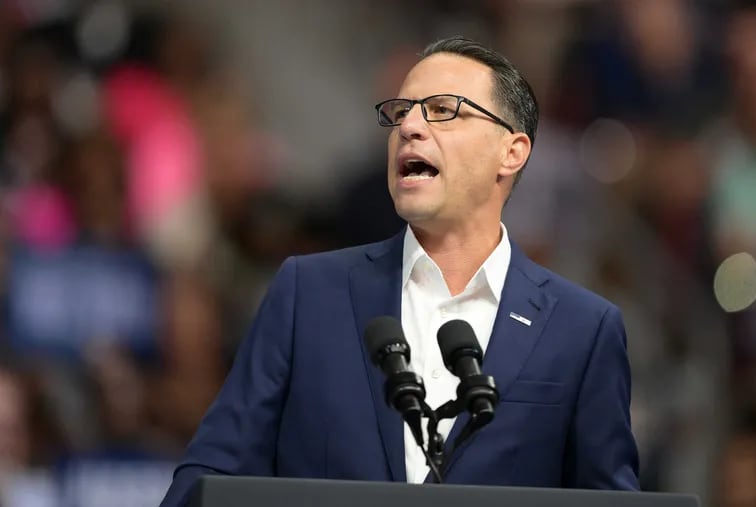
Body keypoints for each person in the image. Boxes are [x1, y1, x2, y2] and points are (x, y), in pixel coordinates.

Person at [160, 36, 640, 506]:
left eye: (442, 110)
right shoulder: (308, 293)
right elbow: (211, 476)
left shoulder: (583, 329)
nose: (409, 126)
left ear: (510, 152)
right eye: (399, 113)